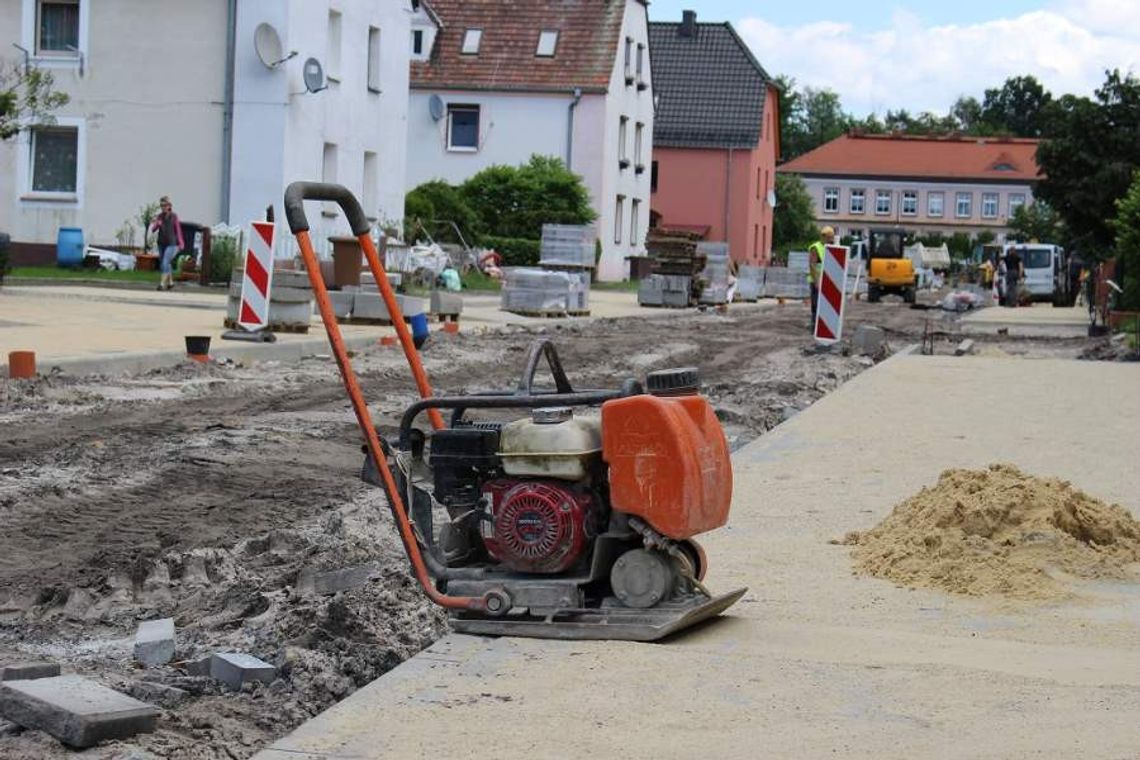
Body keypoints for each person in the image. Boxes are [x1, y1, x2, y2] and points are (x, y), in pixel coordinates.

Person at [150, 196, 184, 291]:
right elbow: (153, 229)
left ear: (169, 206)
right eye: (161, 205)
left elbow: (178, 230)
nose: (163, 207)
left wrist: (181, 243)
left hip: (171, 244)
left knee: (165, 262)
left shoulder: (174, 216)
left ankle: (162, 284)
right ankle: (170, 282)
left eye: (165, 205)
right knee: (166, 263)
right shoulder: (159, 217)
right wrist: (157, 223)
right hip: (161, 243)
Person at [807, 226, 834, 326]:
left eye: (832, 238)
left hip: (826, 281)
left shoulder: (830, 248)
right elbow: (812, 266)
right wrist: (816, 282)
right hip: (816, 281)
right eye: (829, 238)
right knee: (816, 304)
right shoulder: (815, 248)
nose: (831, 240)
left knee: (826, 306)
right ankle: (814, 324)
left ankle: (823, 324)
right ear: (823, 237)